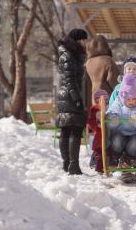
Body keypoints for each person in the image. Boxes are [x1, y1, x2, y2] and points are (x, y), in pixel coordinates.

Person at [56, 28, 87, 175]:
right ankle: (72, 165)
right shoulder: (68, 55)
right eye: (83, 40)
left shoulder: (68, 53)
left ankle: (68, 164)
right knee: (73, 129)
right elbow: (70, 80)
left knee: (66, 130)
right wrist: (77, 99)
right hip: (70, 96)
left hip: (66, 95)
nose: (85, 43)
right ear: (78, 40)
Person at [107, 74, 136, 183]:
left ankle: (128, 160)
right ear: (123, 97)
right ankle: (115, 158)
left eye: (134, 99)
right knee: (117, 141)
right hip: (120, 132)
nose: (131, 102)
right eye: (129, 99)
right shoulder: (118, 104)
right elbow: (110, 115)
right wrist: (113, 119)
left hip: (134, 134)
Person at [85, 35, 120, 103]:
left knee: (98, 112)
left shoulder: (88, 62)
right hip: (108, 96)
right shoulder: (107, 61)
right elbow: (113, 80)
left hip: (94, 95)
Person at [87, 90, 109, 174]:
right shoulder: (95, 109)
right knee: (99, 152)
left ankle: (109, 167)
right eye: (99, 100)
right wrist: (97, 126)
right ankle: (99, 169)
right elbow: (91, 121)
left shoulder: (110, 108)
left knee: (109, 151)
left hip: (109, 134)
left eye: (106, 99)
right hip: (99, 135)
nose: (104, 102)